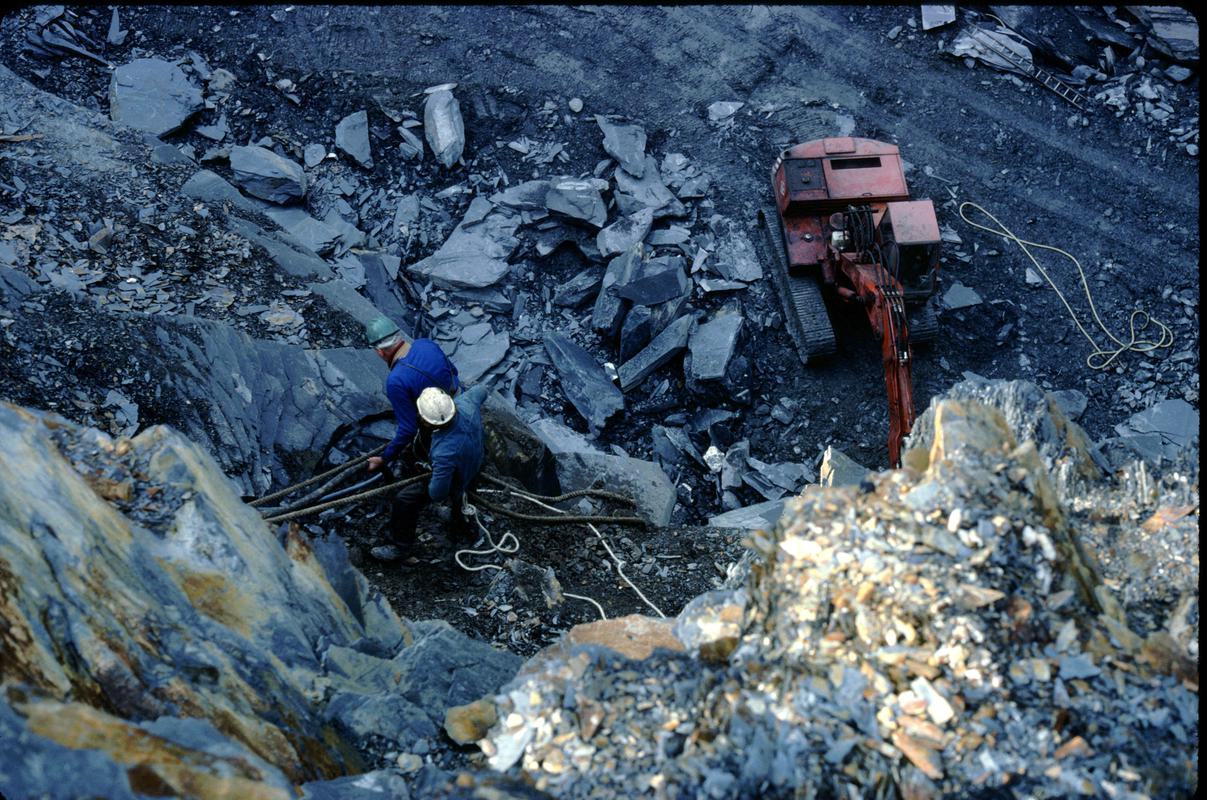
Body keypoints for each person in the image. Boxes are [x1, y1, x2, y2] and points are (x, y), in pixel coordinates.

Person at [371, 384, 489, 562]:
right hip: (476, 459)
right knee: (464, 496)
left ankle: (400, 547)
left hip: (458, 472)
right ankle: (459, 519)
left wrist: (434, 474)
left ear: (431, 422)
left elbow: (437, 493)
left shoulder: (444, 452)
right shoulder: (467, 403)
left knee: (405, 500)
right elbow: (482, 390)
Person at [362, 315, 460, 476]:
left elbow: (408, 429)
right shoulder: (426, 344)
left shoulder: (396, 381)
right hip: (458, 396)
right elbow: (453, 372)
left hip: (439, 422)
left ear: (380, 352)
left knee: (426, 449)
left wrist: (384, 458)